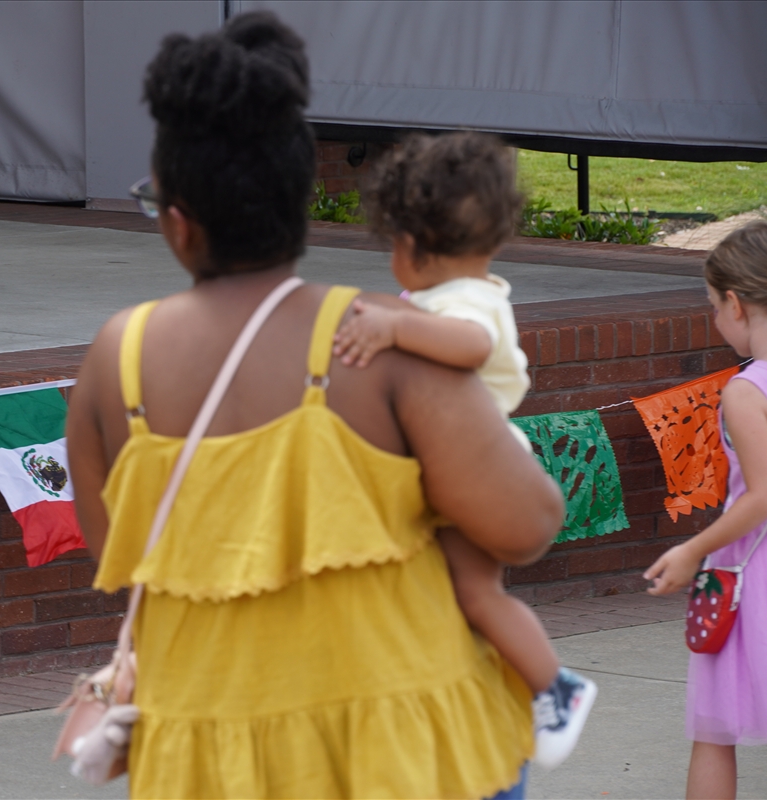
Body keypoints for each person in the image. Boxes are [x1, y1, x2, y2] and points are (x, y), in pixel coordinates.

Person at [65, 11, 565, 799]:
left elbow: (116, 557)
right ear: (299, 204)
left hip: (209, 756)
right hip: (402, 749)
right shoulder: (380, 337)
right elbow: (526, 524)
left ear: (179, 222)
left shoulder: (114, 361)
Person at [331, 131, 597, 769]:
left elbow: (472, 345)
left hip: (481, 464)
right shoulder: (452, 295)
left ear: (412, 246)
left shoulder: (468, 303)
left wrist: (396, 326)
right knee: (455, 589)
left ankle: (555, 685)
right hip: (467, 460)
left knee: (477, 591)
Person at [644, 221, 767, 800]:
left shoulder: (746, 392)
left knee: (715, 731)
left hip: (758, 570)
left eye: (712, 306)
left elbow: (765, 496)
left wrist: (691, 549)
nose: (714, 318)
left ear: (734, 304)